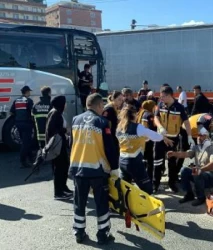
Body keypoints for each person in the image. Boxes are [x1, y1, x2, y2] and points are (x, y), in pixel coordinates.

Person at [69, 93, 119, 245]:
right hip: (97, 170)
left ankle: (79, 232)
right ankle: (103, 235)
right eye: (102, 106)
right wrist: (115, 168)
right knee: (101, 203)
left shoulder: (75, 120)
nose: (103, 108)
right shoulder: (102, 122)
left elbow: (71, 144)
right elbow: (110, 148)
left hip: (78, 168)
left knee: (79, 202)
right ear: (98, 106)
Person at [117, 105, 173, 195]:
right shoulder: (138, 127)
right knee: (147, 189)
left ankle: (125, 206)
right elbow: (155, 136)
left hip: (122, 161)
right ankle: (146, 207)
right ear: (135, 115)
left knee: (125, 188)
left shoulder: (119, 127)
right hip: (134, 162)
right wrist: (164, 137)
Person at [153, 86, 194, 193]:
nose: (161, 99)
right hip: (160, 138)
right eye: (160, 97)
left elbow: (186, 122)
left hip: (173, 139)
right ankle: (155, 184)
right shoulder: (160, 104)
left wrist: (189, 136)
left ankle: (172, 183)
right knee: (157, 162)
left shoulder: (179, 107)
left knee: (172, 162)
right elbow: (156, 117)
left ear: (169, 95)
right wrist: (160, 127)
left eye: (163, 97)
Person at [168, 127, 213, 206]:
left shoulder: (212, 147)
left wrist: (200, 170)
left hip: (212, 175)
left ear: (207, 137)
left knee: (196, 171)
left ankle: (201, 197)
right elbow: (185, 154)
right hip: (200, 174)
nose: (198, 137)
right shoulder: (197, 147)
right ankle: (189, 194)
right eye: (198, 135)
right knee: (184, 170)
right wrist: (174, 154)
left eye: (201, 135)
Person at [46, 96, 72, 200]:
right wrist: (65, 130)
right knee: (59, 168)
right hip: (57, 146)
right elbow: (53, 129)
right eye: (65, 103)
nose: (66, 105)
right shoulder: (55, 113)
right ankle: (58, 192)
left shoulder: (57, 112)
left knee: (64, 166)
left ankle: (63, 188)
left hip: (61, 144)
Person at [10, 85, 35, 168]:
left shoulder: (16, 101)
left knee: (25, 141)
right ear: (27, 92)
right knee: (26, 143)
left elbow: (11, 112)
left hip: (18, 124)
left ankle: (31, 157)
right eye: (29, 91)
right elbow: (32, 112)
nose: (30, 93)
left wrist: (17, 117)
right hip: (27, 124)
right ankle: (23, 161)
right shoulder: (29, 101)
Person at [136, 100, 158, 184]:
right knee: (150, 161)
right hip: (149, 141)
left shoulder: (140, 113)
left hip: (141, 140)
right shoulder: (149, 115)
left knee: (143, 160)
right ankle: (149, 179)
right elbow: (153, 129)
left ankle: (141, 178)